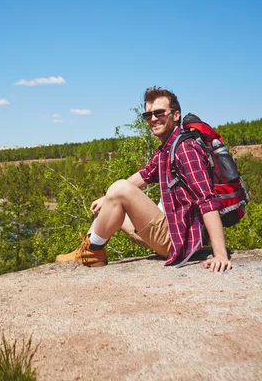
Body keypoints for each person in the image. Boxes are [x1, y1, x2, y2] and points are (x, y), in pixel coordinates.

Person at [56, 87, 232, 272]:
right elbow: (144, 175)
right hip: (170, 232)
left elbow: (206, 199)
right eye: (148, 115)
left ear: (175, 115)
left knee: (119, 189)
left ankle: (93, 250)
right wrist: (107, 198)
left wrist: (220, 253)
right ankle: (89, 250)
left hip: (176, 241)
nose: (153, 119)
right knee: (112, 201)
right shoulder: (167, 148)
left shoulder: (185, 149)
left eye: (159, 113)